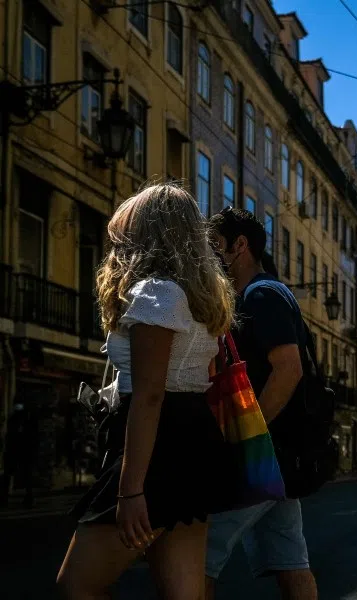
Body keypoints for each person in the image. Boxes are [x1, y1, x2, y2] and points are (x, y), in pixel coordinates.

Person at [57, 183, 236, 599]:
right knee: (183, 594)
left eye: (123, 235)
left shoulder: (157, 293)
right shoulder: (196, 294)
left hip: (157, 444)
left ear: (148, 235)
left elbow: (151, 395)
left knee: (77, 587)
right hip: (191, 439)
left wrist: (131, 488)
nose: (116, 246)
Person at [206, 207, 318, 600]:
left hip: (262, 454)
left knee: (195, 553)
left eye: (215, 245)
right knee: (290, 560)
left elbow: (289, 369)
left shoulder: (262, 295)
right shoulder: (262, 293)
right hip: (279, 456)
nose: (209, 254)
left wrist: (249, 436)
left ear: (240, 246)